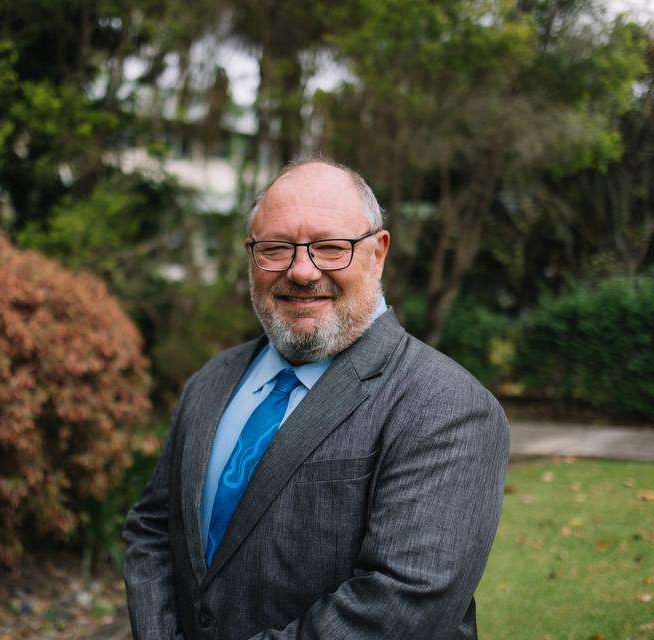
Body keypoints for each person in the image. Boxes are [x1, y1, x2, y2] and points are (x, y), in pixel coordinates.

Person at [122, 159, 510, 640]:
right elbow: (152, 530)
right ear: (251, 255)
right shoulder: (210, 380)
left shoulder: (447, 405)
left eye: (330, 247)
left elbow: (401, 607)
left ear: (378, 252)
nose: (302, 271)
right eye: (276, 247)